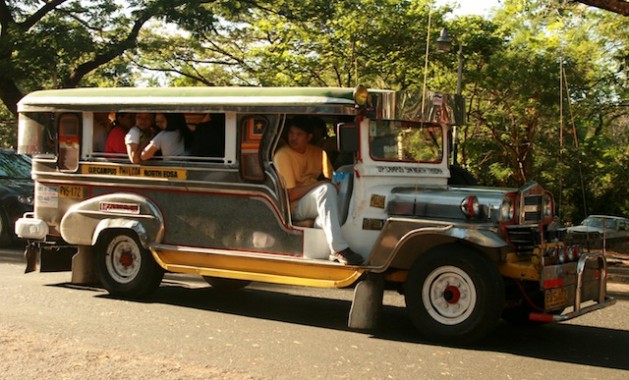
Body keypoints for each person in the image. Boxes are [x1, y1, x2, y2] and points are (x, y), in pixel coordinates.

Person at [273, 116, 363, 265]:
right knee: (325, 190)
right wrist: (320, 184)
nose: (293, 138)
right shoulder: (283, 155)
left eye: (299, 134)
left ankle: (313, 225)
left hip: (314, 201)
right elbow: (290, 194)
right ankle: (338, 248)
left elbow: (333, 179)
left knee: (342, 192)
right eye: (291, 133)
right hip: (294, 206)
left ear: (309, 137)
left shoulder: (318, 153)